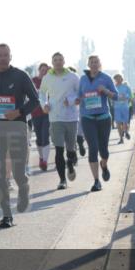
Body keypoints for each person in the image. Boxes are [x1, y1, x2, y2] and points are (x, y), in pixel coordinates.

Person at [0, 44, 40, 228]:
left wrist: (19, 112)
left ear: (11, 57)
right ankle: (7, 214)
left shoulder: (20, 76)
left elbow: (35, 100)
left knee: (18, 172)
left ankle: (23, 189)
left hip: (17, 129)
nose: (2, 58)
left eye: (5, 55)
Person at [39, 52, 80, 190]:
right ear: (52, 62)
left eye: (60, 59)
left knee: (70, 150)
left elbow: (81, 93)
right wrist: (44, 104)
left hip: (71, 117)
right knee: (58, 149)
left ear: (64, 61)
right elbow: (42, 93)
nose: (57, 62)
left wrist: (73, 101)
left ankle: (70, 163)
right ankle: (62, 180)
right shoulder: (47, 77)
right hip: (55, 117)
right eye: (55, 60)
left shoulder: (73, 77)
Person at [77, 57, 117, 192]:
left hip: (103, 118)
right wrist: (78, 99)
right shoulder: (82, 79)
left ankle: (104, 165)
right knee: (93, 148)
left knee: (104, 150)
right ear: (88, 65)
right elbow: (78, 97)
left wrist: (105, 91)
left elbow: (117, 96)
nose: (94, 64)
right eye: (91, 62)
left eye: (96, 62)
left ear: (100, 64)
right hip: (87, 118)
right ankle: (96, 181)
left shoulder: (106, 78)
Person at [29, 63, 51, 172]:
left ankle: (45, 161)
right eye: (42, 70)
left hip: (47, 113)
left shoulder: (50, 81)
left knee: (45, 136)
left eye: (46, 70)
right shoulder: (33, 81)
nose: (44, 72)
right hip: (35, 113)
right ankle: (41, 157)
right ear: (39, 70)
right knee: (39, 138)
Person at [114, 74, 132, 142]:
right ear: (115, 80)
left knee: (125, 122)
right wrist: (115, 98)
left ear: (122, 79)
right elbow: (111, 96)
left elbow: (130, 96)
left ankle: (126, 132)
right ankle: (121, 138)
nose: (118, 80)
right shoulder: (113, 87)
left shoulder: (126, 87)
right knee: (118, 123)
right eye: (117, 79)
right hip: (117, 108)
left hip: (125, 107)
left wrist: (125, 97)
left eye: (119, 78)